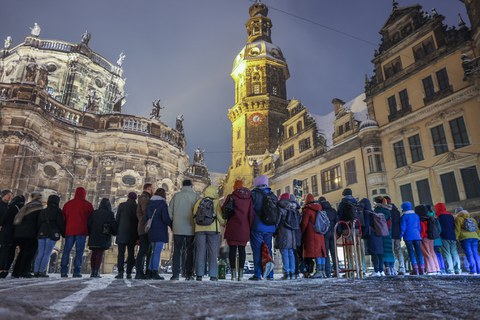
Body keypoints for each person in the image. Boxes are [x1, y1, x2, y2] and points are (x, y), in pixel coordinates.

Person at [222, 180, 254, 281]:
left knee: (232, 250)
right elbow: (251, 214)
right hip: (244, 227)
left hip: (232, 226)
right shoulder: (249, 198)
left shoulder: (231, 196)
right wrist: (249, 226)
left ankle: (233, 274)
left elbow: (224, 209)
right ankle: (240, 275)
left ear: (235, 186)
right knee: (242, 250)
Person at [169, 179, 200, 280]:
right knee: (190, 251)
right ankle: (189, 274)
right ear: (191, 185)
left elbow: (169, 212)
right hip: (191, 227)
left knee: (177, 251)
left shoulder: (176, 196)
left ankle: (175, 274)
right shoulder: (196, 196)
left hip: (178, 227)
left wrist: (173, 222)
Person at [249, 175, 277, 281]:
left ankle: (258, 274)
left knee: (257, 251)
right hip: (270, 227)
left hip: (257, 226)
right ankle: (270, 274)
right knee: (268, 250)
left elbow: (250, 211)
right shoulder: (273, 196)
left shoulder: (254, 194)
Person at [61, 187, 94, 278]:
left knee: (66, 251)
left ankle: (63, 271)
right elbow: (91, 219)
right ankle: (76, 271)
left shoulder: (68, 204)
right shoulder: (88, 205)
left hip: (69, 230)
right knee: (79, 251)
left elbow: (63, 218)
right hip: (81, 231)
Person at [193, 186, 224, 281]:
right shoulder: (216, 203)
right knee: (213, 252)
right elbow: (220, 217)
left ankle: (199, 274)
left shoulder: (198, 202)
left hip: (199, 230)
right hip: (213, 230)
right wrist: (224, 223)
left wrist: (198, 225)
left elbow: (194, 215)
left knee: (200, 252)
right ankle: (213, 275)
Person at [12, 192, 43, 278]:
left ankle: (16, 272)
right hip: (30, 234)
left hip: (20, 233)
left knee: (22, 253)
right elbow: (39, 222)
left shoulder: (27, 205)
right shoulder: (38, 207)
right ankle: (24, 271)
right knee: (29, 253)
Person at [34, 195, 65, 277]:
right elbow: (60, 223)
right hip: (51, 234)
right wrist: (63, 233)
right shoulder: (58, 211)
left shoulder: (43, 211)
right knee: (47, 254)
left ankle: (36, 271)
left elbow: (38, 223)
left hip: (41, 233)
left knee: (40, 253)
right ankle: (42, 271)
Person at [145, 188, 172, 280]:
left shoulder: (150, 203)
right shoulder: (162, 204)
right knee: (157, 252)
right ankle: (155, 271)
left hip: (151, 230)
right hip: (160, 230)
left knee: (153, 252)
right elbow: (165, 218)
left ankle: (149, 271)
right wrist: (171, 224)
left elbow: (147, 216)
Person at [87, 198, 117, 278]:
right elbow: (112, 224)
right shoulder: (109, 213)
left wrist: (90, 232)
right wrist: (115, 232)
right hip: (103, 235)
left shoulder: (95, 212)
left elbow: (89, 224)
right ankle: (96, 271)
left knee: (93, 253)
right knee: (100, 253)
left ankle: (92, 271)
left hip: (93, 235)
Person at [301, 194, 327, 278]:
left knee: (317, 253)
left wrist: (301, 232)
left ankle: (319, 271)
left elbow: (304, 223)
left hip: (311, 234)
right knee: (321, 252)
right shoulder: (319, 208)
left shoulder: (307, 210)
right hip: (320, 234)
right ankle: (322, 271)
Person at [275, 193, 299, 280]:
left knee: (284, 253)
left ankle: (286, 272)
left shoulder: (281, 209)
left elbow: (277, 222)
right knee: (291, 253)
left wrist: (274, 231)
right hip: (292, 234)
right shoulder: (293, 209)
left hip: (283, 233)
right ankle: (292, 272)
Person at [115, 192, 138, 279]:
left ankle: (120, 272)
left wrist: (116, 231)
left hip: (122, 232)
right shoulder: (136, 207)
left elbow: (117, 219)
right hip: (133, 233)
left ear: (128, 197)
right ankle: (129, 273)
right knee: (131, 254)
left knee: (121, 253)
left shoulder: (122, 205)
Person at [0, 195, 24, 278]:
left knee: (4, 250)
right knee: (10, 252)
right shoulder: (22, 209)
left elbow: (4, 219)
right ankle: (5, 269)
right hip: (15, 233)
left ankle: (1, 269)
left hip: (6, 231)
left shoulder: (12, 207)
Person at [435, 202, 461, 274]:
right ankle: (457, 269)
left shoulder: (439, 217)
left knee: (447, 253)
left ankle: (450, 269)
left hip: (444, 236)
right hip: (452, 236)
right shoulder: (451, 216)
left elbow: (439, 228)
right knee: (454, 253)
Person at [399, 201, 424, 275]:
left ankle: (415, 269)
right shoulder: (416, 215)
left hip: (408, 236)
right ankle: (422, 269)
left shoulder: (404, 216)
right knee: (419, 252)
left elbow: (403, 227)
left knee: (411, 253)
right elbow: (419, 227)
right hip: (417, 235)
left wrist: (400, 236)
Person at [361, 198, 384, 276]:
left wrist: (363, 234)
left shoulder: (366, 212)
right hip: (379, 233)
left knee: (374, 253)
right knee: (380, 254)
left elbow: (367, 225)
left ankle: (376, 271)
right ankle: (381, 271)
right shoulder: (373, 211)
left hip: (372, 235)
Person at [135, 183, 153, 279]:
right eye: (152, 188)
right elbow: (147, 212)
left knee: (146, 250)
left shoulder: (144, 198)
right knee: (143, 250)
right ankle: (139, 272)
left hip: (144, 227)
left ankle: (143, 271)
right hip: (145, 228)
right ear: (149, 188)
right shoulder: (144, 198)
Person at [415, 204, 440, 275]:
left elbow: (422, 230)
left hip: (424, 237)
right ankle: (437, 268)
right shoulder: (429, 218)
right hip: (431, 237)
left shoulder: (421, 219)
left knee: (426, 253)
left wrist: (420, 236)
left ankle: (431, 270)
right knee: (432, 252)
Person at [373, 196, 395, 276]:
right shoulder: (387, 210)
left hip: (381, 233)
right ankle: (392, 267)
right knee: (390, 250)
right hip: (388, 232)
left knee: (384, 251)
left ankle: (387, 268)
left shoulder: (377, 210)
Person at [454, 209, 480, 274]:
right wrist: (478, 237)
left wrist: (456, 238)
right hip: (475, 237)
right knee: (476, 254)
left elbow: (457, 230)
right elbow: (477, 229)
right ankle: (479, 270)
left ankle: (473, 271)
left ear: (457, 213)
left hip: (465, 238)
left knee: (469, 254)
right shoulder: (472, 219)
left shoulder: (458, 219)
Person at [318, 196, 339, 278]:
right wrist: (338, 233)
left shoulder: (321, 211)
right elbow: (337, 221)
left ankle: (327, 272)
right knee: (334, 253)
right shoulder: (333, 210)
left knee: (325, 253)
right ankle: (336, 270)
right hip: (333, 233)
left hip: (324, 234)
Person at [427, 205, 446, 274]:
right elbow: (440, 229)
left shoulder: (427, 218)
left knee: (433, 254)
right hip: (438, 239)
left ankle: (436, 268)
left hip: (432, 240)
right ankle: (442, 268)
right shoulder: (436, 218)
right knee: (439, 254)